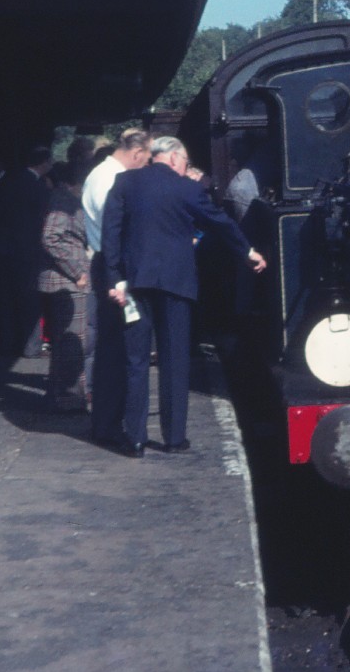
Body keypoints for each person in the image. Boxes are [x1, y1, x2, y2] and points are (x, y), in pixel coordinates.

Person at [102, 136, 267, 457]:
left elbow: (111, 233)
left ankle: (135, 439)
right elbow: (220, 223)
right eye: (186, 162)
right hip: (176, 285)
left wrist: (114, 279)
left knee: (136, 361)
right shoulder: (187, 188)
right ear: (176, 158)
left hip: (135, 284)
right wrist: (247, 252)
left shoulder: (125, 183)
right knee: (174, 361)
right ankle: (174, 438)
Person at [82, 128, 151, 444]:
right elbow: (117, 231)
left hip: (106, 264)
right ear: (137, 154)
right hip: (112, 267)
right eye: (147, 158)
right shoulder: (111, 180)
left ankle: (107, 421)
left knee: (114, 348)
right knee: (115, 349)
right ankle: (108, 424)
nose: (147, 166)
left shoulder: (101, 174)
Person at [37, 162, 90, 411]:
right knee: (71, 341)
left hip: (62, 280)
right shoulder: (63, 200)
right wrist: (77, 270)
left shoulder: (62, 198)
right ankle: (69, 397)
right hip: (65, 281)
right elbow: (50, 236)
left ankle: (59, 395)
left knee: (64, 341)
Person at [0, 146, 53, 357]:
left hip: (7, 247)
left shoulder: (8, 182)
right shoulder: (38, 187)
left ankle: (6, 343)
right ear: (44, 163)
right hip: (29, 249)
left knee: (7, 298)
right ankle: (30, 346)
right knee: (29, 299)